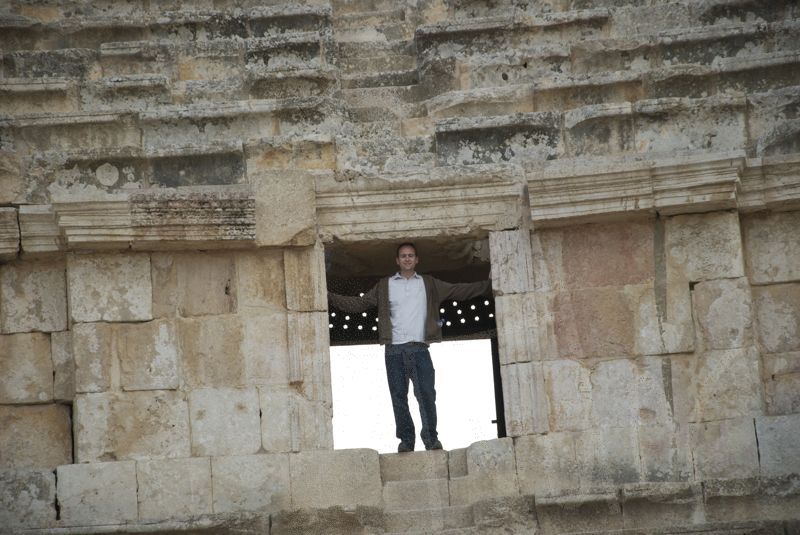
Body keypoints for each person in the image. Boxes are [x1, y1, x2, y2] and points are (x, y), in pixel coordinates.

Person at [327, 242, 491, 453]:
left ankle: (431, 440)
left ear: (416, 260)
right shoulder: (385, 285)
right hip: (393, 350)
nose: (407, 259)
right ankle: (406, 441)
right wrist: (328, 296)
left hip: (420, 348)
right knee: (398, 397)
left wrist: (489, 286)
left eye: (411, 255)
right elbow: (359, 304)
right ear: (397, 260)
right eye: (403, 256)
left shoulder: (429, 283)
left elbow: (459, 291)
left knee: (426, 396)